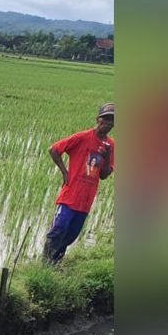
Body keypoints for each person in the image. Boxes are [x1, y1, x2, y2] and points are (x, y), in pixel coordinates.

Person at [43, 103, 115, 264]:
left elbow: (104, 175)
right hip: (70, 196)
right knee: (58, 230)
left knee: (70, 235)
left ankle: (54, 265)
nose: (109, 123)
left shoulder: (111, 146)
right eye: (106, 119)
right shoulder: (82, 137)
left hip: (86, 200)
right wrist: (64, 172)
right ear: (98, 119)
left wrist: (107, 156)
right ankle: (44, 267)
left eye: (112, 120)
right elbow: (54, 149)